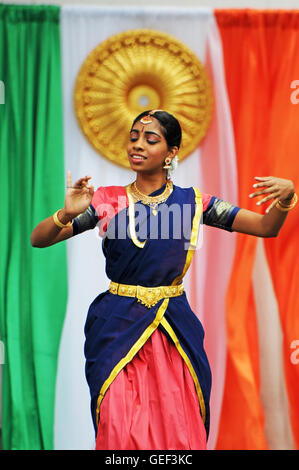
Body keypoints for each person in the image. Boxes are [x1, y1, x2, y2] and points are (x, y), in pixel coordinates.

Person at [31, 109, 296, 450]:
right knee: (119, 425)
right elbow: (40, 239)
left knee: (177, 424)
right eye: (133, 138)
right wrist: (64, 215)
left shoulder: (194, 203)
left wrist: (287, 199)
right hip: (116, 327)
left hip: (173, 330)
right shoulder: (108, 200)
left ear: (171, 152)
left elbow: (265, 228)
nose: (137, 145)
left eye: (150, 139)